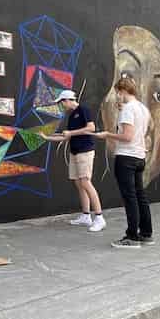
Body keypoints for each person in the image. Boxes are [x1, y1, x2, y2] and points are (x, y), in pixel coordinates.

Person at [94, 77, 153, 248]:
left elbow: (127, 137)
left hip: (126, 157)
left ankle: (132, 236)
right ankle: (146, 233)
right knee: (140, 196)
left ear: (122, 91)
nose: (117, 96)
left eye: (117, 93)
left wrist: (107, 135)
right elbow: (139, 133)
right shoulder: (143, 109)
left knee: (130, 197)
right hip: (139, 157)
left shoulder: (128, 109)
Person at [44, 90, 106, 233]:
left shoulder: (83, 110)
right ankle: (86, 216)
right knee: (79, 183)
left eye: (61, 103)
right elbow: (65, 137)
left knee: (85, 181)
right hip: (75, 151)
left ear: (67, 100)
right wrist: (47, 138)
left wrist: (71, 133)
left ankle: (99, 217)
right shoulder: (71, 116)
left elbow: (91, 128)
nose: (62, 106)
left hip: (85, 151)